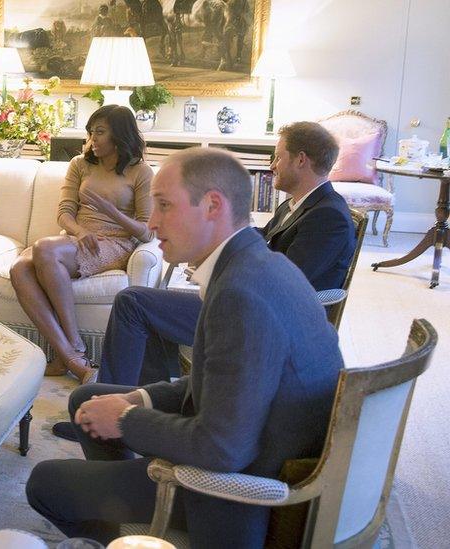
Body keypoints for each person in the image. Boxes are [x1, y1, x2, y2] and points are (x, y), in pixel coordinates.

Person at [25, 148, 343, 547]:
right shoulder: (255, 264)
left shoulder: (240, 295)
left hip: (233, 493)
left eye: (164, 206)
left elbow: (223, 449)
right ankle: (131, 516)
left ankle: (137, 535)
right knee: (90, 398)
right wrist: (138, 398)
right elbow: (221, 380)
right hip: (257, 440)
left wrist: (126, 420)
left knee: (45, 482)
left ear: (212, 206)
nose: (152, 223)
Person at [98, 121, 353, 387]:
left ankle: (110, 409)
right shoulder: (296, 204)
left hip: (253, 317)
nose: (272, 165)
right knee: (149, 305)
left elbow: (284, 283)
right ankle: (142, 401)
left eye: (278, 157)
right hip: (245, 300)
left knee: (133, 302)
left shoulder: (328, 216)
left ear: (301, 160)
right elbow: (257, 241)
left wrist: (217, 267)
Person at [10, 105, 153, 384]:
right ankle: (74, 357)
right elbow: (64, 212)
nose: (92, 139)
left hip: (113, 243)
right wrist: (79, 230)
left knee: (43, 249)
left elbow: (146, 232)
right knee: (19, 269)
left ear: (119, 135)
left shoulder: (141, 172)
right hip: (76, 238)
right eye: (90, 132)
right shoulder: (80, 164)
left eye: (100, 132)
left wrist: (109, 210)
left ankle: (71, 352)